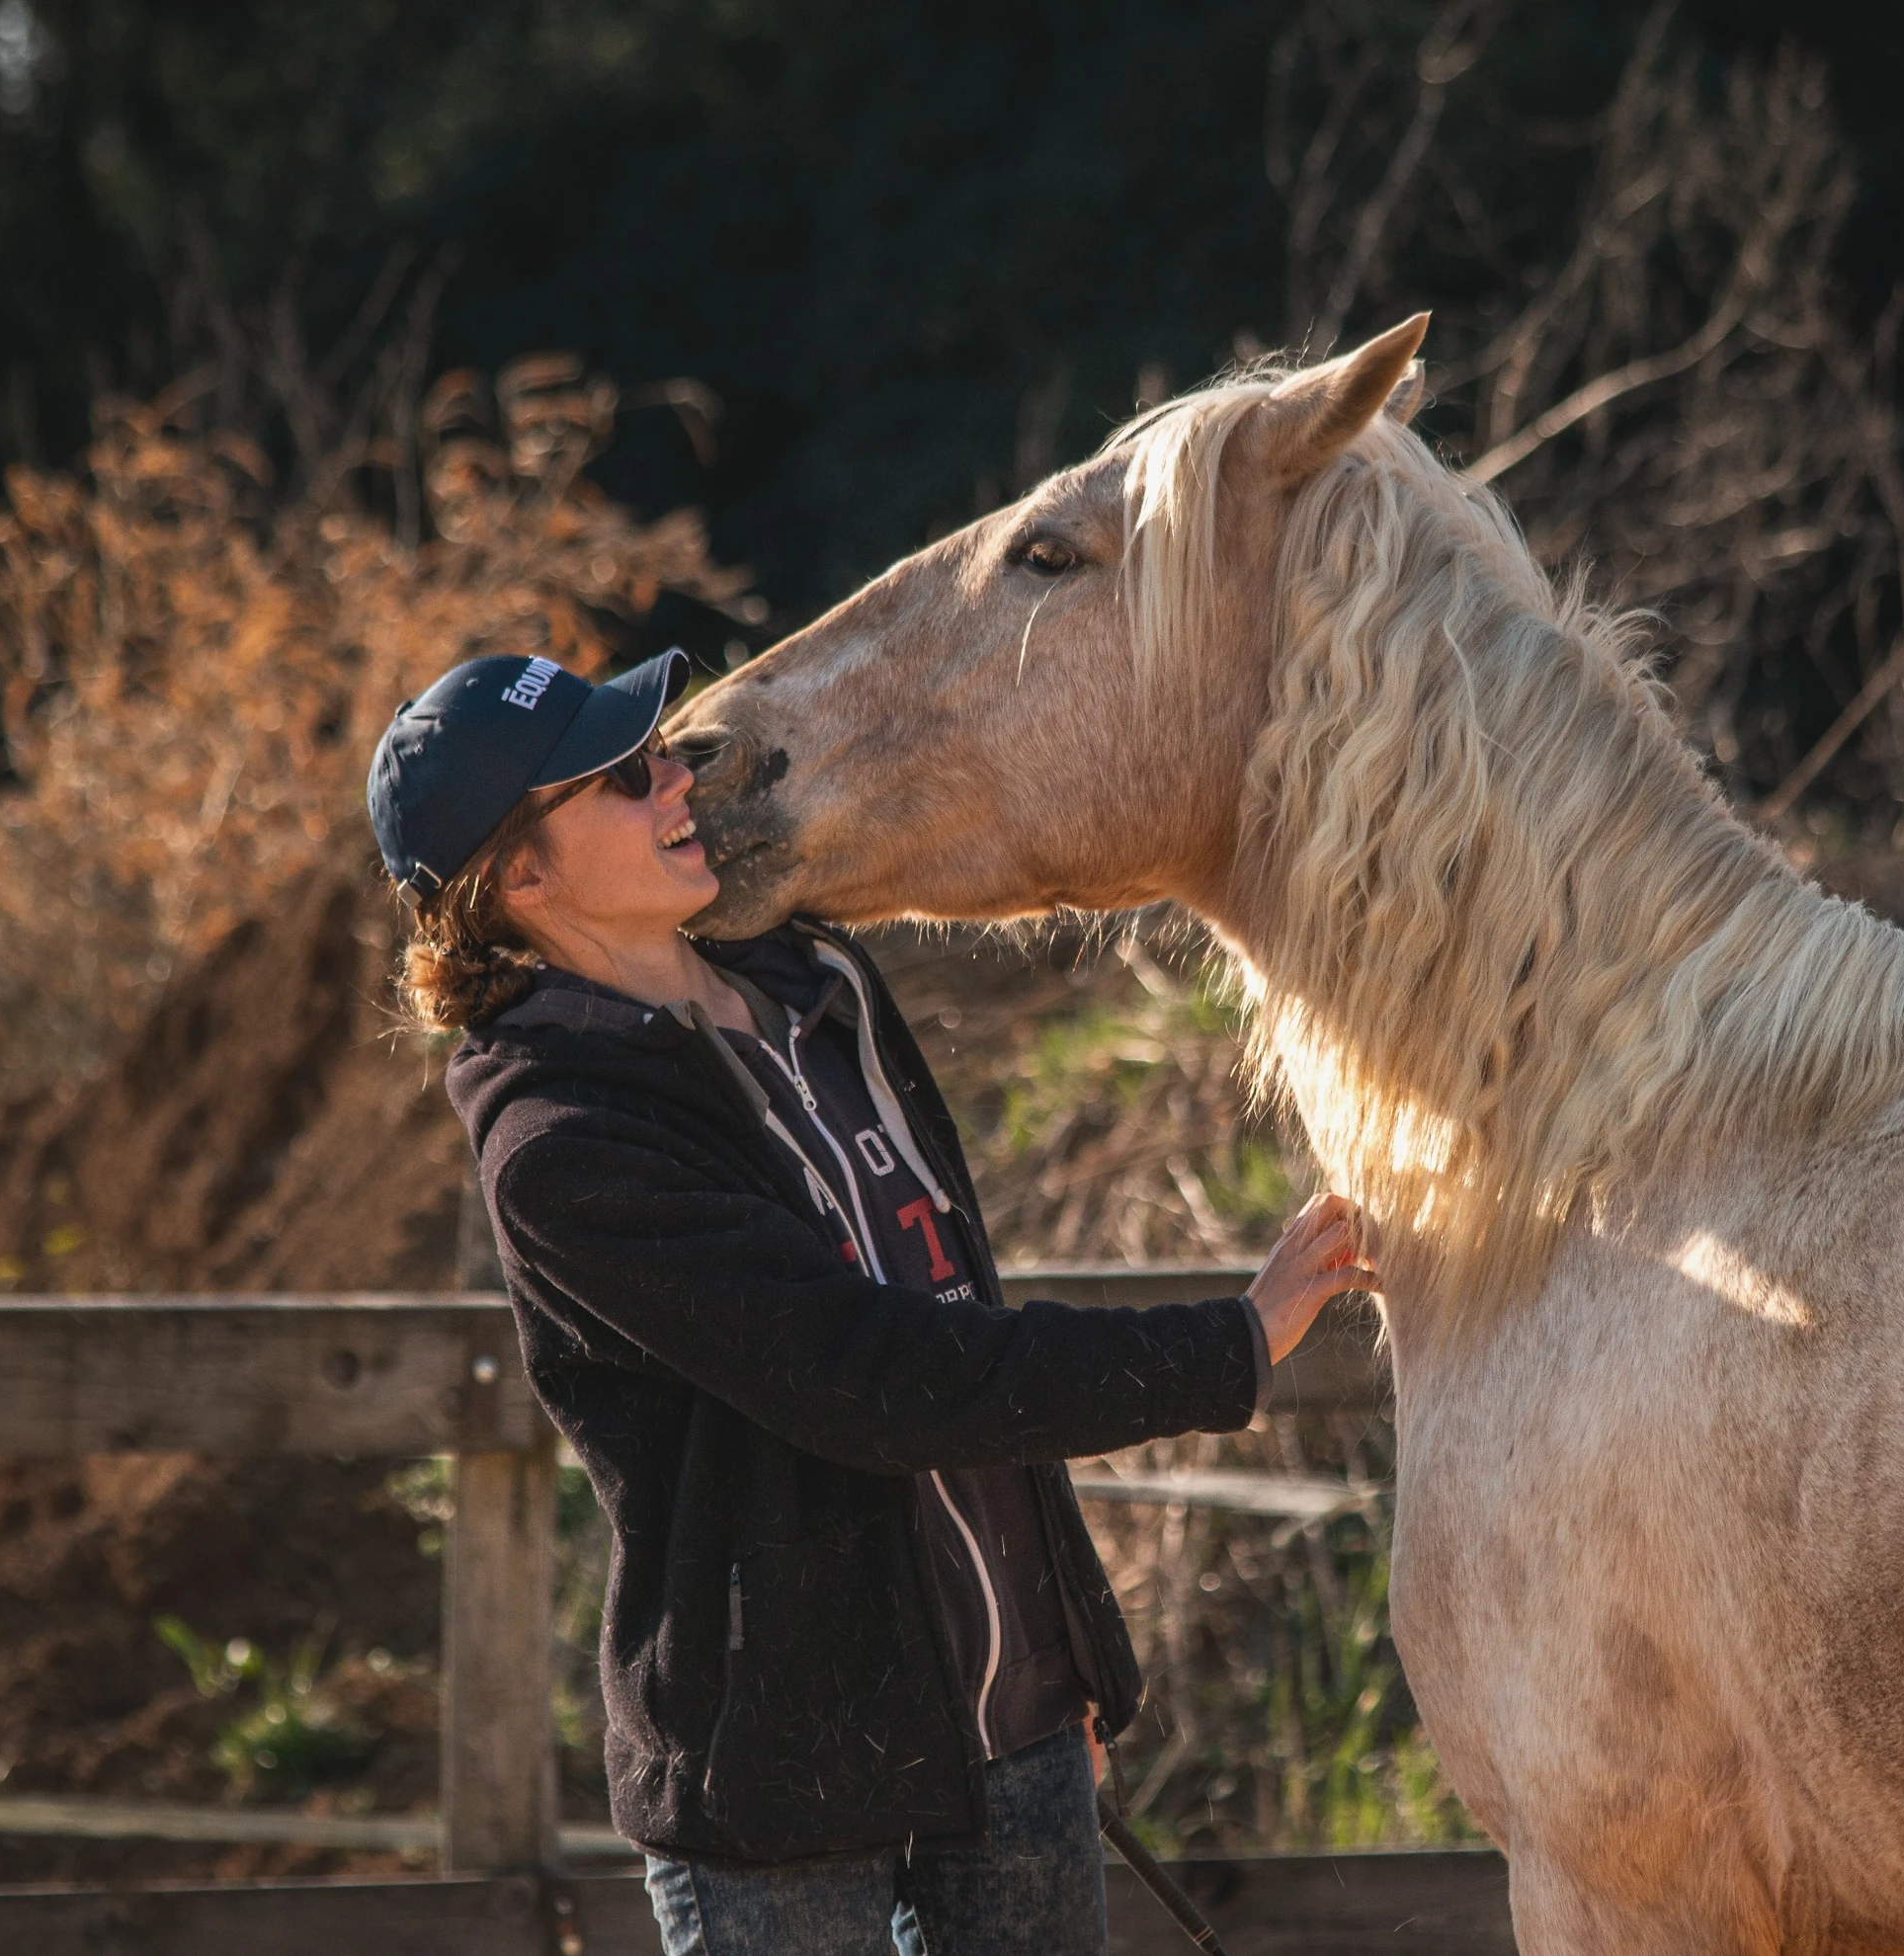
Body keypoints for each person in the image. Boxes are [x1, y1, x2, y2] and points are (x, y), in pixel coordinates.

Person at [367, 650, 1372, 1956]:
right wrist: (1228, 1344)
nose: (677, 773)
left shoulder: (816, 987)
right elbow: (880, 1377)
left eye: (658, 744)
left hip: (1012, 1735)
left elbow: (956, 1297)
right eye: (624, 775)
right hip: (788, 1796)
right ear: (522, 877)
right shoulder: (562, 1145)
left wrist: (1050, 1646)